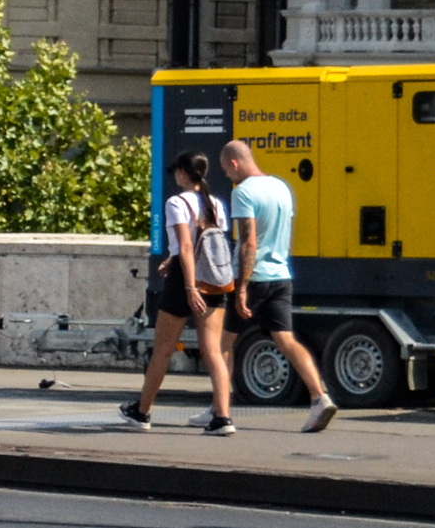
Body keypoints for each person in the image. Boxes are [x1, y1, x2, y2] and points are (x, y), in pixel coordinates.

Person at [220, 138, 338, 433]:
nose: (228, 177)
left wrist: (242, 286)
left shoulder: (243, 192)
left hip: (253, 276)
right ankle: (319, 397)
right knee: (286, 340)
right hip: (281, 275)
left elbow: (248, 240)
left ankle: (219, 408)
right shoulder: (281, 187)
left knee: (224, 344)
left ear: (234, 164)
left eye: (226, 171)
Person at [121, 151, 237, 435]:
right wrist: (174, 259)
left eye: (176, 171)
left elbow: (187, 246)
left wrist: (188, 285)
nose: (175, 176)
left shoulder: (177, 202)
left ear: (184, 173)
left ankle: (142, 411)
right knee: (213, 351)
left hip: (185, 282)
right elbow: (207, 247)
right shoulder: (217, 205)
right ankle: (222, 418)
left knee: (162, 349)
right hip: (215, 280)